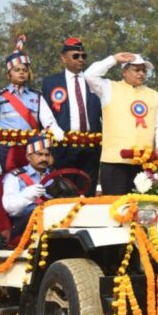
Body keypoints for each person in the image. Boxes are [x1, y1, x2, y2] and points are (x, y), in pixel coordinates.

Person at [85, 52, 158, 195]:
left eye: (144, 70)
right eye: (136, 70)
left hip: (144, 161)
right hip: (114, 160)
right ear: (124, 72)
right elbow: (89, 75)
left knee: (142, 208)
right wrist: (114, 59)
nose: (141, 74)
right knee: (115, 206)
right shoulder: (108, 88)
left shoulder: (154, 95)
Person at [0, 35, 63, 176]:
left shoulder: (37, 96)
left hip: (32, 149)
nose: (21, 72)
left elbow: (48, 121)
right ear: (8, 74)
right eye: (17, 70)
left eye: (24, 70)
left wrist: (55, 129)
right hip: (7, 150)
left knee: (34, 185)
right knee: (5, 188)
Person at [41, 37, 102, 197]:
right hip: (63, 145)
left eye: (83, 56)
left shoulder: (94, 81)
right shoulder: (51, 83)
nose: (80, 59)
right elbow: (44, 115)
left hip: (91, 144)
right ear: (63, 58)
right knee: (64, 190)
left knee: (87, 190)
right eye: (75, 56)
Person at [2, 136, 53, 244]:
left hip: (55, 223)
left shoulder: (55, 176)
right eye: (39, 154)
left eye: (47, 155)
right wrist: (27, 196)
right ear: (28, 156)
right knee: (34, 210)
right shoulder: (15, 177)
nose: (44, 159)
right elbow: (10, 207)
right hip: (25, 228)